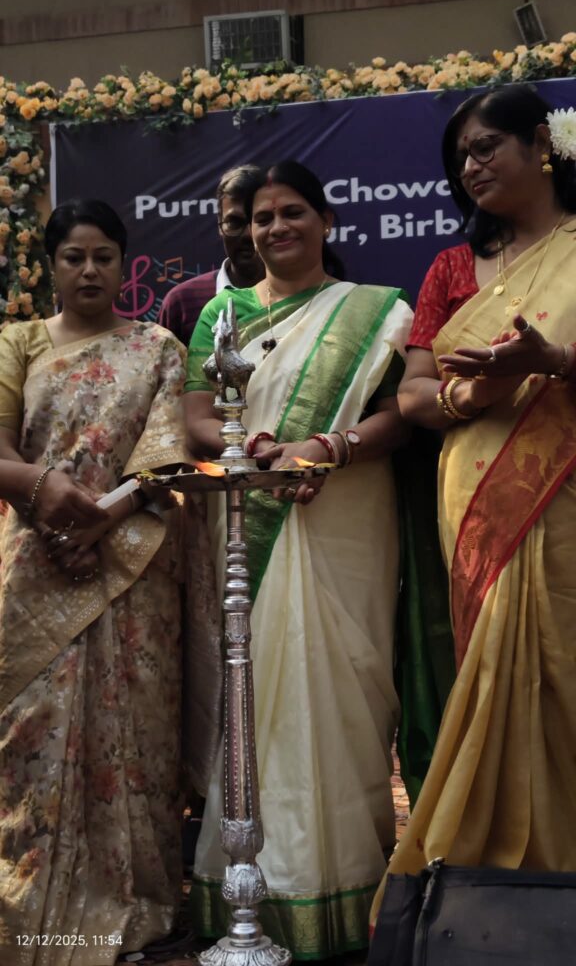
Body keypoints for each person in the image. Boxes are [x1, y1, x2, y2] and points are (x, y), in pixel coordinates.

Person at [183, 160, 414, 959]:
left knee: (343, 690)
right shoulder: (221, 314)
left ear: (325, 220)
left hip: (346, 513)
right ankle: (255, 892)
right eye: (261, 217)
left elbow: (397, 415)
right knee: (255, 694)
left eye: (291, 212)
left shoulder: (376, 311)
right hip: (249, 514)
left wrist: (329, 445)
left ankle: (346, 887)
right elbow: (195, 416)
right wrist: (252, 445)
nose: (275, 227)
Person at [370, 83, 576, 927]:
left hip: (564, 485)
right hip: (476, 493)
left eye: (487, 146)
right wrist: (475, 393)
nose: (471, 166)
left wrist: (553, 361)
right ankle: (494, 894)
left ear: (542, 145)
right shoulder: (453, 269)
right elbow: (414, 393)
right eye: (461, 157)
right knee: (495, 674)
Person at [0, 199, 195, 965]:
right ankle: (25, 911)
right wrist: (46, 498)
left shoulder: (157, 347)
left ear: (123, 264)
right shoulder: (16, 343)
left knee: (134, 735)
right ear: (50, 266)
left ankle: (132, 901)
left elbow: (164, 458)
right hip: (33, 562)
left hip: (130, 565)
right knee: (28, 736)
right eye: (73, 257)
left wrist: (97, 522)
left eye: (103, 256)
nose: (89, 270)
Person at [157, 164, 264, 346]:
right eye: (234, 222)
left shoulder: (305, 297)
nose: (248, 234)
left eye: (259, 220)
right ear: (219, 225)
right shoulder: (181, 303)